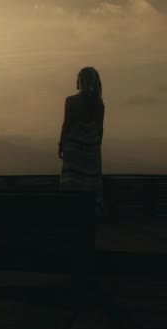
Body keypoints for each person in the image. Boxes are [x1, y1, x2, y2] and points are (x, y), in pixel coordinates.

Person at [58, 66, 105, 216]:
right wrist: (96, 147)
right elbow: (100, 129)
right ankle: (89, 213)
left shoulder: (71, 101)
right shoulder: (99, 104)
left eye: (77, 78)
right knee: (91, 183)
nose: (75, 81)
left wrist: (61, 145)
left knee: (72, 182)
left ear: (81, 81)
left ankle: (71, 213)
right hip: (92, 147)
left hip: (73, 147)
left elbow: (66, 125)